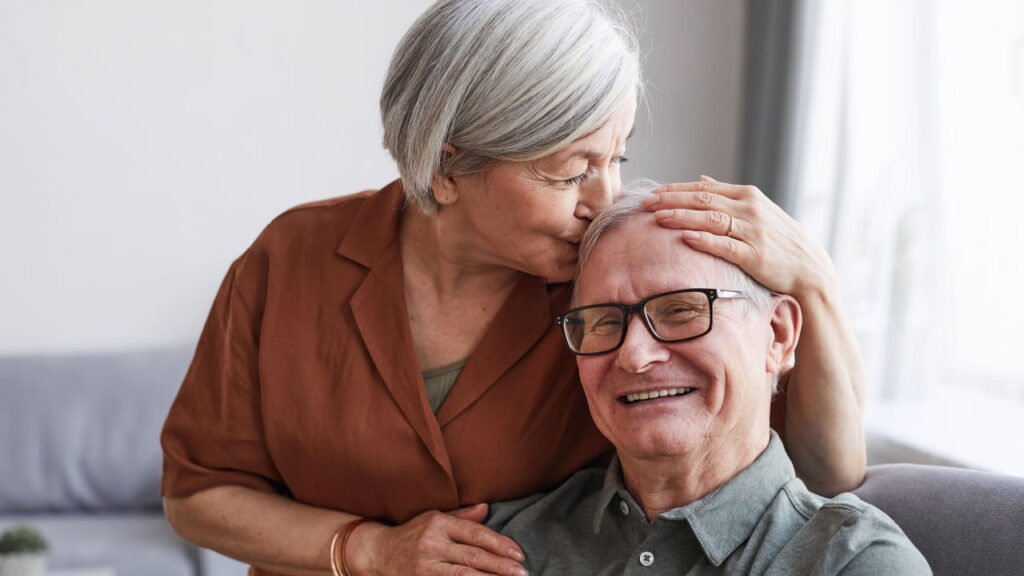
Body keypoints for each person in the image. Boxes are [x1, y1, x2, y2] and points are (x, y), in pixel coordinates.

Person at [160, 1, 866, 575]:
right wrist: (367, 549)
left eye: (616, 158)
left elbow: (824, 472)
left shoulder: (613, 298)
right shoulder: (290, 261)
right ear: (446, 168)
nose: (604, 198)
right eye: (568, 173)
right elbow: (198, 494)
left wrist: (816, 282)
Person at [485, 183, 930, 575]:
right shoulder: (500, 547)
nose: (635, 356)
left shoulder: (852, 562)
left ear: (777, 335)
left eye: (680, 310)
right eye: (603, 321)